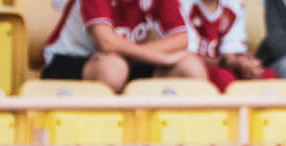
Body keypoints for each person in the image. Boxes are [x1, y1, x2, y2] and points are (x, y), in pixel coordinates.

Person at [42, 0, 208, 93]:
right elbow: (106, 42)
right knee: (113, 69)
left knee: (191, 67)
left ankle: (185, 141)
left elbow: (180, 39)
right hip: (70, 59)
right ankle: (99, 139)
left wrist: (149, 56)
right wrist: (160, 58)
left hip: (127, 60)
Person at [181, 0, 277, 91]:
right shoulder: (183, 4)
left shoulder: (234, 3)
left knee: (268, 76)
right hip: (198, 68)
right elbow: (188, 57)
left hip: (224, 64)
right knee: (223, 78)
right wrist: (232, 63)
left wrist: (247, 64)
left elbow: (231, 52)